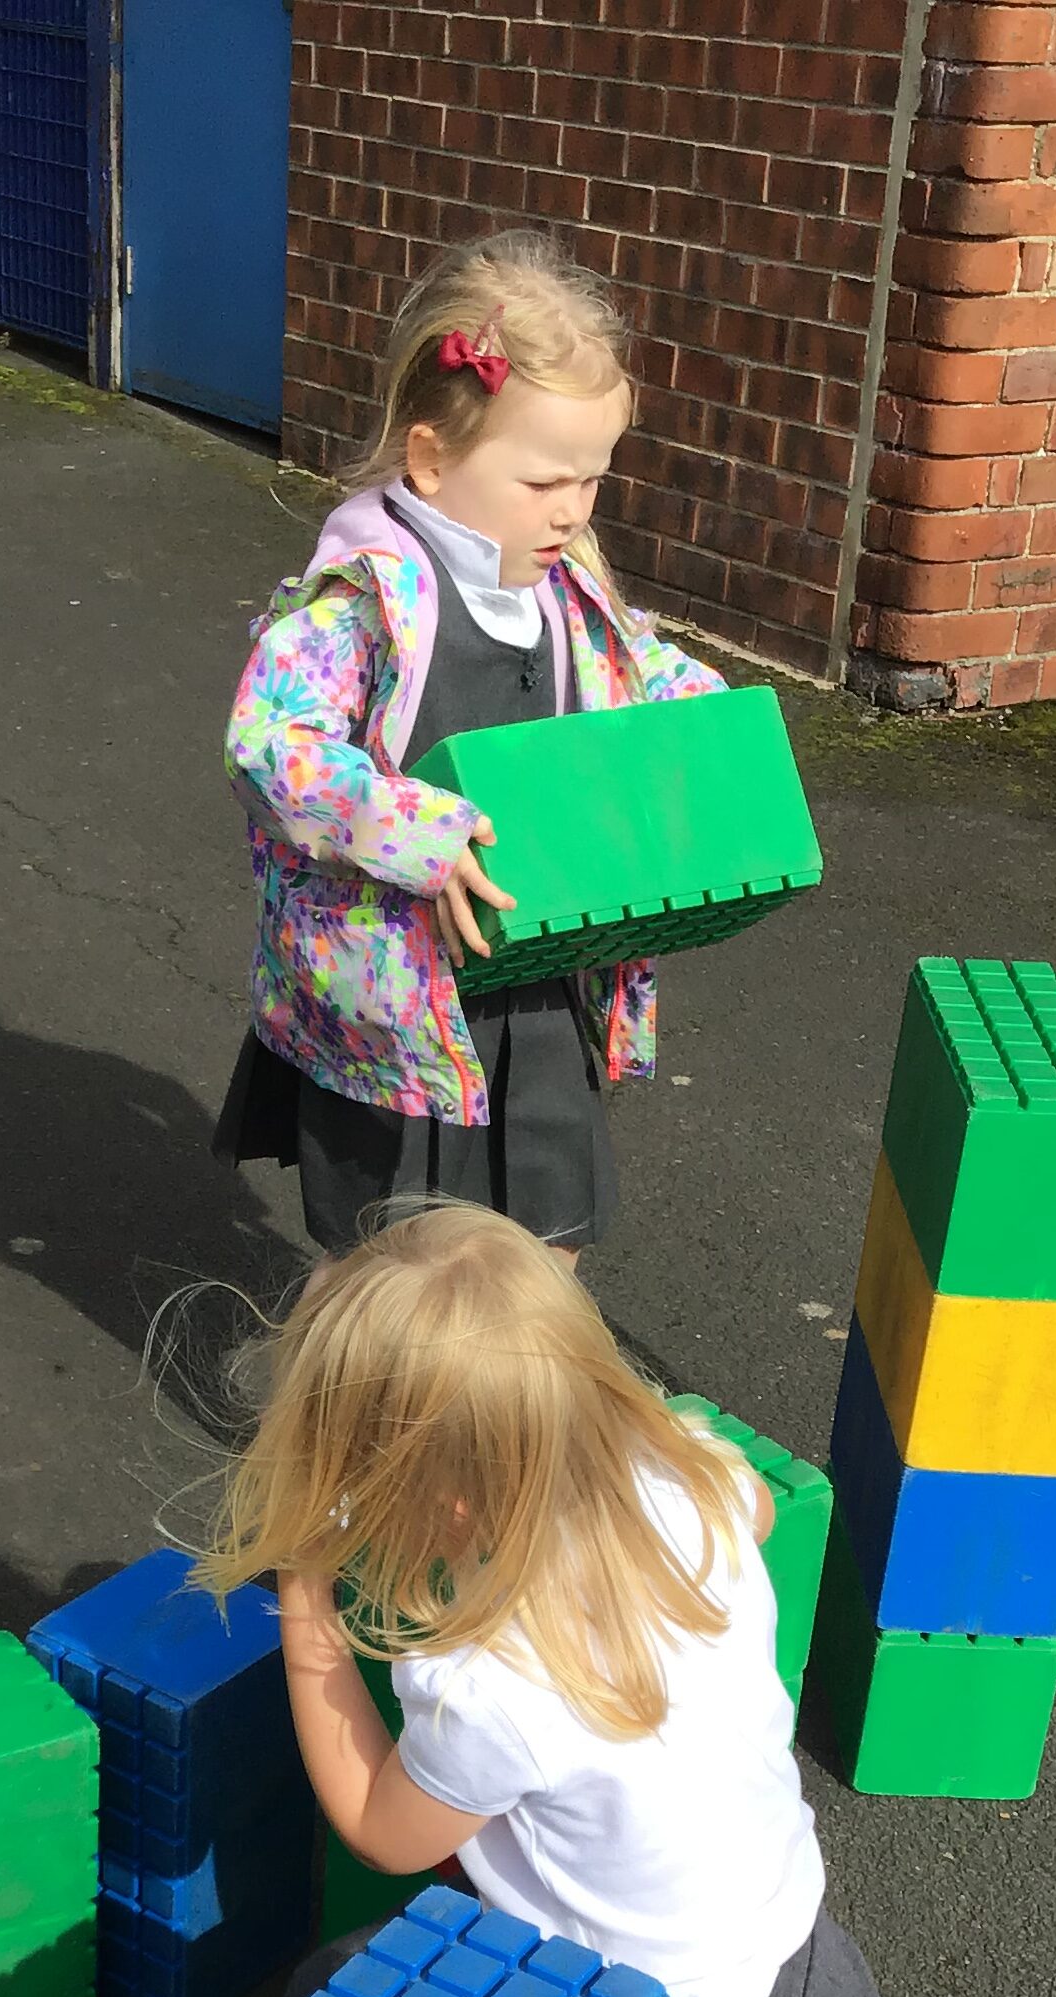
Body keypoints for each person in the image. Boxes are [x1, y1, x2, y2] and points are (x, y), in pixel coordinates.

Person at [195, 1206, 1056, 1997]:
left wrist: (304, 1597)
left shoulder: (492, 1679)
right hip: (784, 1941)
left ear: (441, 1503)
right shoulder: (692, 1481)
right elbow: (758, 1506)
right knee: (335, 1994)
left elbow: (380, 1826)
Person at [216, 227, 724, 1267]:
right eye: (544, 484)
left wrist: (713, 728)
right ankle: (349, 1383)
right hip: (396, 1005)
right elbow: (272, 749)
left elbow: (638, 669)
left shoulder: (566, 587)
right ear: (432, 459)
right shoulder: (359, 605)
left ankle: (516, 1382)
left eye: (592, 480)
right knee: (385, 1273)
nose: (573, 512)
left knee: (549, 1249)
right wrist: (420, 830)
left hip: (538, 980)